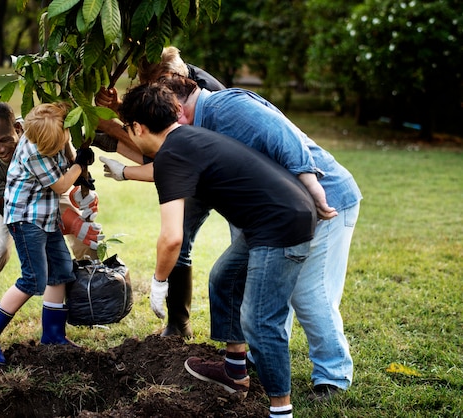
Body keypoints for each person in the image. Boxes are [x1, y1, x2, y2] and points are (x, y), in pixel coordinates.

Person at [106, 74, 362, 400]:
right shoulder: (190, 133)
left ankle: (326, 380)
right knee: (225, 278)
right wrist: (123, 171)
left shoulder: (226, 108)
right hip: (271, 214)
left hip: (319, 200)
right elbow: (167, 167)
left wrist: (158, 283)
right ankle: (238, 367)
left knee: (294, 302)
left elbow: (285, 136)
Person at [93, 46, 225, 338]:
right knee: (182, 242)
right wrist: (117, 112)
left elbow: (169, 156)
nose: (158, 92)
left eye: (160, 85)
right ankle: (179, 325)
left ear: (176, 75)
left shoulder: (204, 95)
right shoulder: (169, 86)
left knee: (199, 249)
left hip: (222, 176)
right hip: (195, 168)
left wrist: (114, 129)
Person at [0, 102, 102, 337]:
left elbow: (66, 159)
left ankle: (87, 309)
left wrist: (82, 187)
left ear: (18, 128)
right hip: (17, 206)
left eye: (4, 140)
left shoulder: (42, 128)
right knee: (1, 250)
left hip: (46, 194)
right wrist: (65, 221)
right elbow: (9, 210)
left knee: (74, 249)